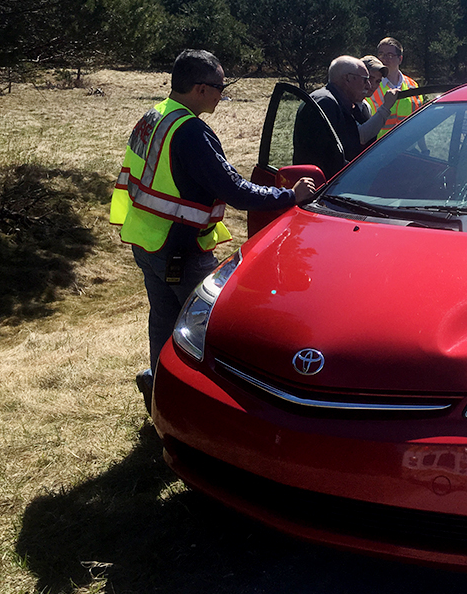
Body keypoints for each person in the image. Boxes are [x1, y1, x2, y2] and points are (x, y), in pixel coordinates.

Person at [110, 49, 315, 413]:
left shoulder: (155, 115)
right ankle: (208, 409)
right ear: (201, 89)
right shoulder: (189, 131)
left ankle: (160, 386)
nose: (223, 94)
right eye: (221, 87)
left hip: (146, 239)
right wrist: (289, 195)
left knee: (163, 320)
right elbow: (234, 190)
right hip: (180, 248)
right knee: (215, 326)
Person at [293, 56, 372, 177]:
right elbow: (328, 158)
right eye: (365, 79)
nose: (368, 86)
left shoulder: (342, 103)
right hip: (322, 187)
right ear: (348, 78)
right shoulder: (325, 103)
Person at [366, 37, 422, 139]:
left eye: (390, 55)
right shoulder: (370, 85)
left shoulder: (413, 85)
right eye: (381, 54)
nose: (384, 58)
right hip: (378, 148)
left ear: (400, 59)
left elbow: (418, 124)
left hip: (407, 147)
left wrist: (424, 149)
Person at [357, 55, 400, 147]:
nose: (372, 85)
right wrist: (386, 107)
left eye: (377, 81)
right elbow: (361, 137)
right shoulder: (343, 103)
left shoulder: (365, 106)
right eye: (370, 78)